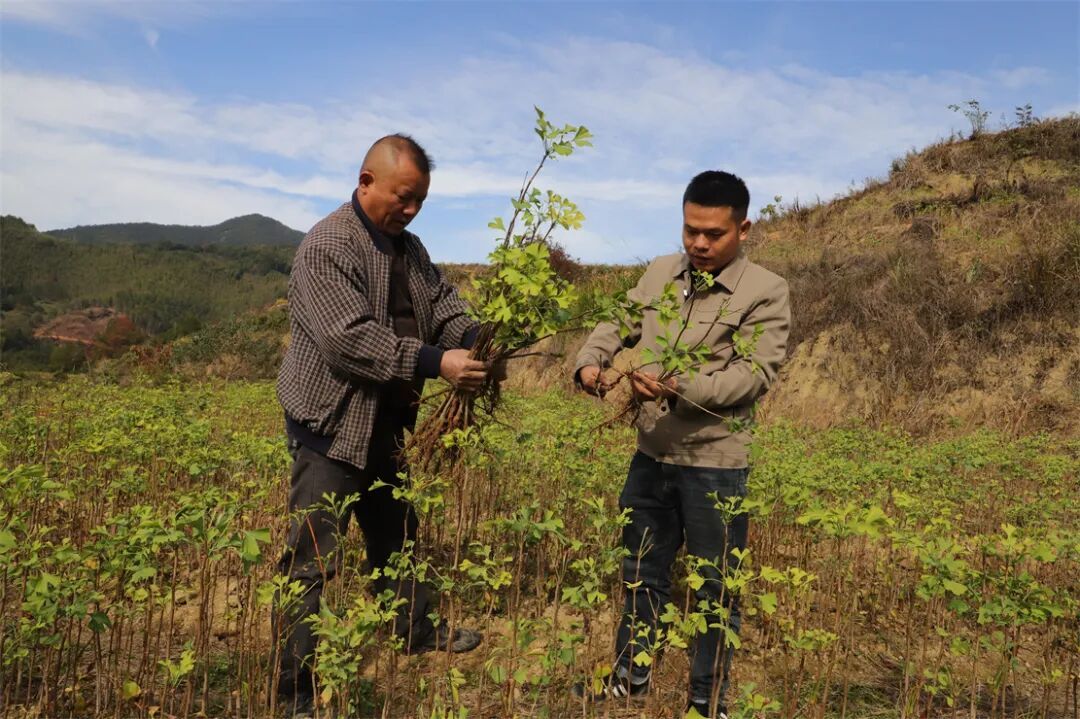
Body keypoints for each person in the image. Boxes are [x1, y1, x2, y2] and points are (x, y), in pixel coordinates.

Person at [273, 134, 488, 713]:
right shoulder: (326, 246)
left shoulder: (410, 249)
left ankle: (414, 630)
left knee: (398, 537)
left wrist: (475, 337)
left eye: (420, 200)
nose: (411, 210)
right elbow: (348, 340)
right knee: (311, 560)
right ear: (366, 181)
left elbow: (442, 307)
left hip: (386, 427)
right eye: (403, 197)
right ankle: (295, 689)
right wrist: (436, 362)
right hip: (332, 428)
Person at [571, 171, 790, 719]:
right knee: (640, 571)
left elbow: (753, 375)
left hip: (716, 463)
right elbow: (619, 320)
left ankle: (707, 700)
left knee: (716, 588)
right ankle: (630, 679)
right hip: (651, 455)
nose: (699, 243)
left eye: (714, 233)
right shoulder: (661, 272)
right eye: (691, 230)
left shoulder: (766, 290)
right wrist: (590, 362)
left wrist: (678, 386)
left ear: (743, 229)